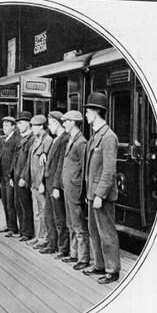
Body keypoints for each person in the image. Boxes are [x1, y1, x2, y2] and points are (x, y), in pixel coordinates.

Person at [82, 92, 121, 284]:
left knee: (107, 232)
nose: (86, 114)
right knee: (94, 231)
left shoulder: (108, 137)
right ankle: (99, 265)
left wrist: (99, 194)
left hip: (101, 195)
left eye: (88, 110)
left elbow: (109, 170)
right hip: (92, 194)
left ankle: (112, 270)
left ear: (97, 112)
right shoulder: (96, 136)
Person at [61, 110, 90, 269]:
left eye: (66, 121)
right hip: (68, 187)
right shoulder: (71, 139)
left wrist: (82, 190)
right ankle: (74, 254)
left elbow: (85, 169)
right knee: (71, 222)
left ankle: (83, 258)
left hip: (75, 188)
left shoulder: (81, 142)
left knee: (78, 224)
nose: (64, 123)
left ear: (73, 122)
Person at [41, 111, 70, 257]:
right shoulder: (55, 139)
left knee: (59, 217)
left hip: (54, 184)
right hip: (49, 182)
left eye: (51, 123)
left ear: (58, 123)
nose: (49, 126)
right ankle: (52, 244)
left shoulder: (64, 139)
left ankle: (63, 248)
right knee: (49, 216)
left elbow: (60, 165)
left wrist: (57, 186)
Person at [24, 114, 53, 248]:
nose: (33, 128)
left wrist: (42, 183)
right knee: (36, 210)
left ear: (42, 126)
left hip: (40, 183)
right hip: (34, 182)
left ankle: (44, 237)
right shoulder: (36, 140)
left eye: (35, 126)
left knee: (43, 211)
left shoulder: (47, 141)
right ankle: (37, 236)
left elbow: (46, 165)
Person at [9, 111, 35, 242]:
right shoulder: (22, 138)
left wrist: (24, 177)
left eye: (20, 123)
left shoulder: (31, 139)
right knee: (18, 204)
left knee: (26, 205)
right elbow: (15, 159)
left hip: (23, 178)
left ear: (27, 123)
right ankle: (22, 230)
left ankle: (27, 232)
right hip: (17, 177)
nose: (18, 126)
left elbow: (28, 162)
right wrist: (11, 175)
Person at [0, 116, 20, 237]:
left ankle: (13, 227)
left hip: (10, 176)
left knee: (11, 202)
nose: (4, 127)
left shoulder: (16, 140)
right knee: (5, 201)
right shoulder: (4, 139)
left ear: (13, 127)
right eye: (3, 125)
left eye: (7, 125)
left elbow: (15, 159)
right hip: (2, 175)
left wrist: (12, 176)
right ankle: (8, 224)